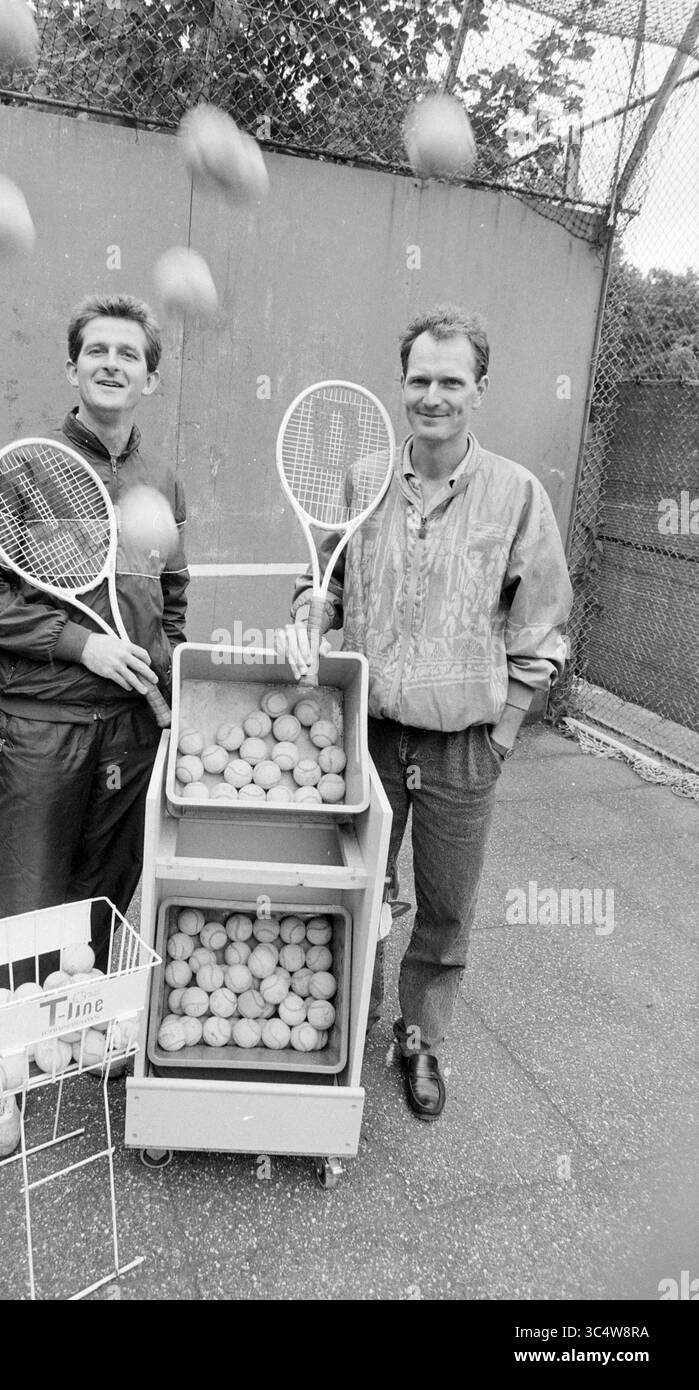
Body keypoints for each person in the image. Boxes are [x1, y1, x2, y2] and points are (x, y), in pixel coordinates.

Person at [279, 305, 572, 1122]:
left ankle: (418, 1037)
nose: (432, 394)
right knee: (358, 889)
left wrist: (506, 728)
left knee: (445, 907)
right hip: (365, 735)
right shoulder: (362, 479)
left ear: (479, 388)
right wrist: (309, 607)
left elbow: (541, 621)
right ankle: (344, 1033)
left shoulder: (516, 494)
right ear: (400, 384)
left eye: (451, 380)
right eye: (419, 379)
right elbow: (323, 581)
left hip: (464, 747)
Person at [0, 293, 188, 982]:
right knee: (27, 899)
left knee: (105, 896)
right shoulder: (19, 466)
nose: (112, 363)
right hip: (43, 724)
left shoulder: (162, 480)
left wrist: (163, 669)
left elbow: (172, 595)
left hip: (133, 728)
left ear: (150, 378)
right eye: (98, 351)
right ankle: (5, 1065)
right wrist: (84, 644)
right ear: (72, 367)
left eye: (128, 354)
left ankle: (81, 1025)